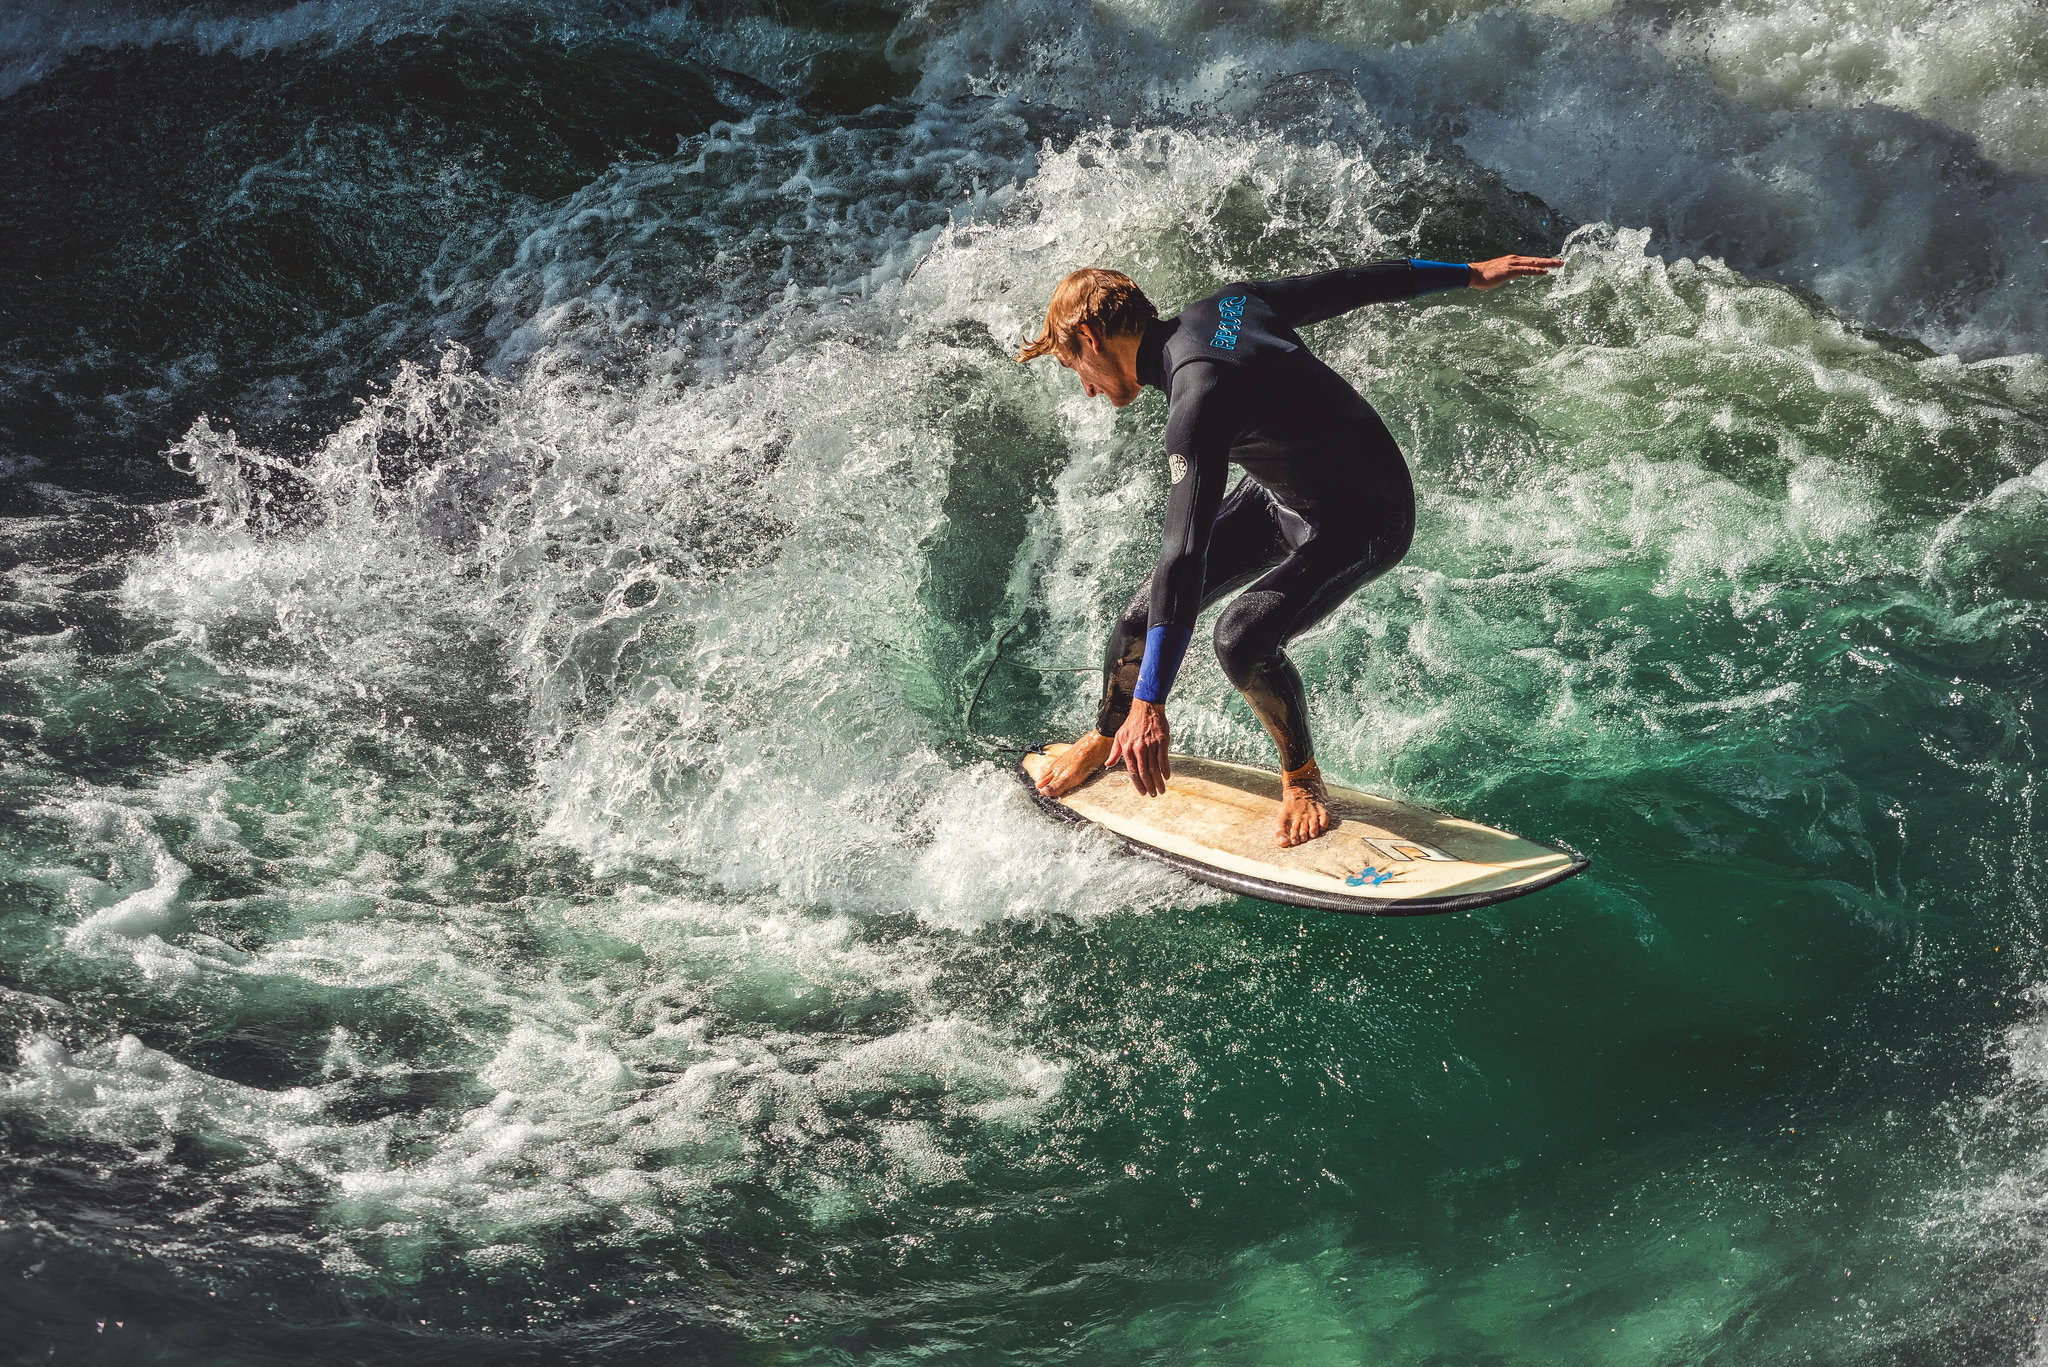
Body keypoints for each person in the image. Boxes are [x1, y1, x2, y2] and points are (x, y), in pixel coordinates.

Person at [1019, 253, 1561, 847]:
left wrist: (1153, 698)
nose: (1088, 389)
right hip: (1286, 496)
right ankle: (1106, 734)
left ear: (1092, 339)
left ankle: (1302, 777)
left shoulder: (1196, 400)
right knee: (1138, 621)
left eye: (1075, 366)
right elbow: (1354, 282)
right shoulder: (1227, 306)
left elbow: (1185, 553)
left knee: (1241, 638)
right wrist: (1468, 272)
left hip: (1366, 518)